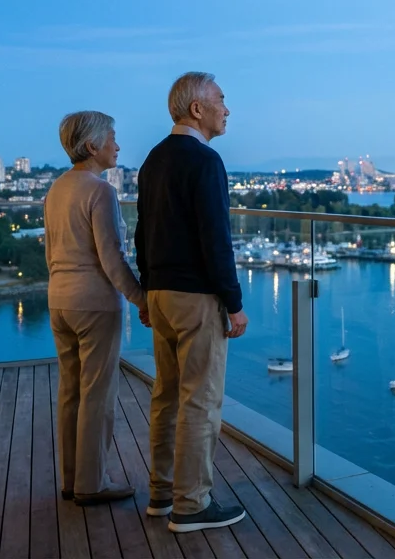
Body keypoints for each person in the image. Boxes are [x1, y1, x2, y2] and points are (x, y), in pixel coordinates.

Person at [136, 71, 249, 534]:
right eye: (222, 100)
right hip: (196, 296)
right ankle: (192, 504)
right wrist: (234, 301)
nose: (228, 109)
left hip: (160, 293)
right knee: (200, 400)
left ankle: (162, 494)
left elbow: (143, 232)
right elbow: (215, 239)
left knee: (166, 396)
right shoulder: (205, 161)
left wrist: (145, 293)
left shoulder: (152, 160)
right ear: (197, 109)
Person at [45, 111, 147, 506]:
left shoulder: (56, 188)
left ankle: (72, 480)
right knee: (98, 395)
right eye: (112, 139)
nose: (118, 146)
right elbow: (112, 258)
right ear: (92, 146)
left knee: (70, 392)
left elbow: (51, 251)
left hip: (60, 300)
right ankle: (92, 484)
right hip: (95, 305)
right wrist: (141, 299)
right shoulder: (99, 191)